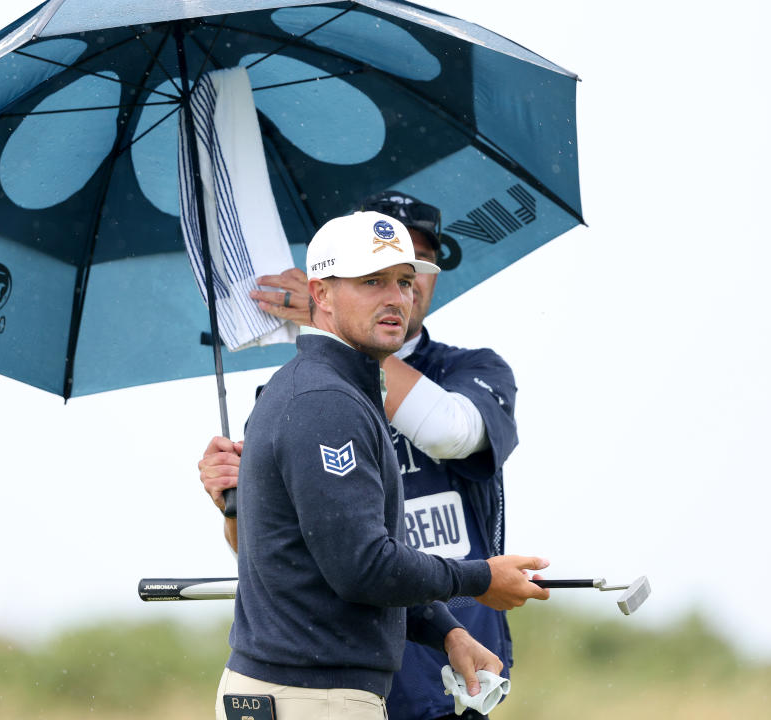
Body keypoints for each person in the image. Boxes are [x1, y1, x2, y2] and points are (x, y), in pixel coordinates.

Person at [209, 209, 549, 720]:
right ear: (320, 294)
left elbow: (344, 559)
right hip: (314, 695)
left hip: (332, 687)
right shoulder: (324, 399)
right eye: (372, 281)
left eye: (406, 280)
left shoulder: (336, 391)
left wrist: (449, 632)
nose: (396, 297)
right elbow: (363, 567)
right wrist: (481, 578)